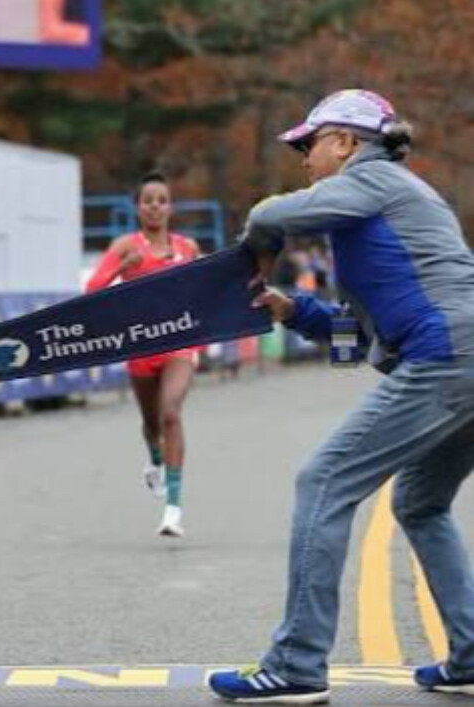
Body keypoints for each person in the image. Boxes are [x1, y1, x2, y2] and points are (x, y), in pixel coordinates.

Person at [209, 89, 474, 703]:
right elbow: (357, 336)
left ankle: (296, 664)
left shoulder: (373, 180)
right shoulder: (369, 215)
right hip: (462, 355)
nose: (303, 157)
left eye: (310, 143)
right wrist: (292, 309)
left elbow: (270, 214)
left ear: (347, 143)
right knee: (420, 503)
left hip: (448, 354)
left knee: (322, 481)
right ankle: (469, 656)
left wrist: (258, 252)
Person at [84, 172, 200, 538]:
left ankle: (173, 509)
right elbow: (91, 291)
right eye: (148, 201)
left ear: (170, 208)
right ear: (137, 208)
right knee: (152, 424)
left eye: (161, 200)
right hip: (141, 346)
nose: (155, 207)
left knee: (170, 413)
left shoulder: (187, 248)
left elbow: (206, 290)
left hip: (180, 343)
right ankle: (155, 460)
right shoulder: (125, 245)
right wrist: (122, 268)